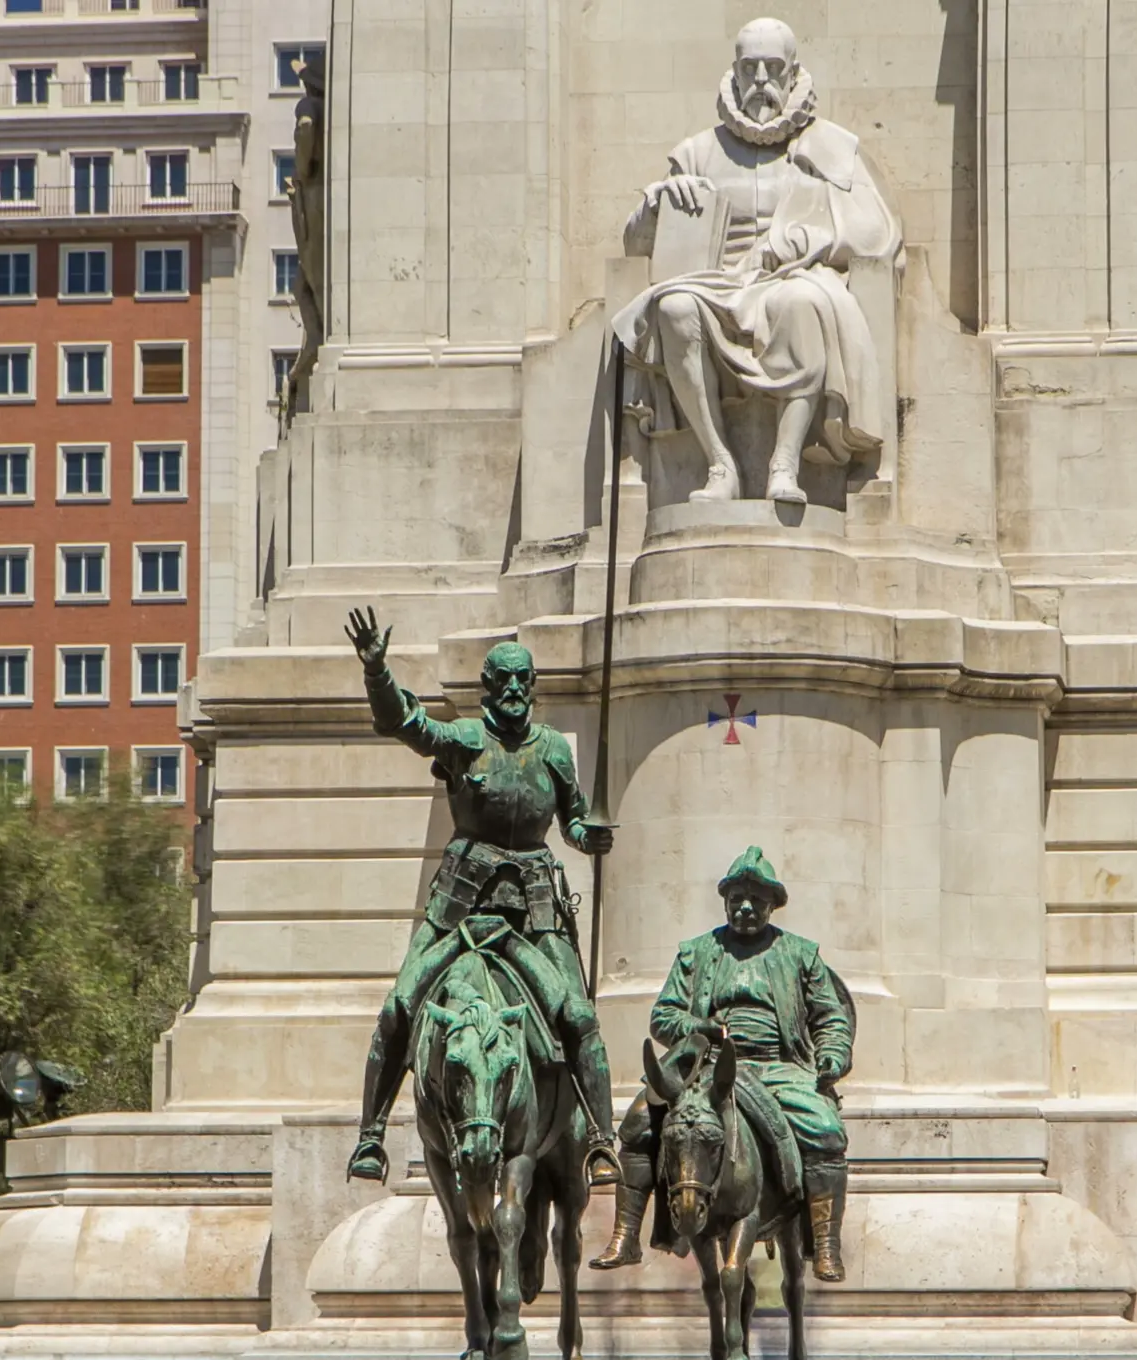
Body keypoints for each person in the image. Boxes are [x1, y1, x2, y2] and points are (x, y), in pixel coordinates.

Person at [342, 607, 621, 1185]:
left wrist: (585, 834)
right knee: (399, 1007)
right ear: (487, 688)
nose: (515, 688)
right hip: (461, 904)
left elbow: (570, 819)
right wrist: (377, 673)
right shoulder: (466, 739)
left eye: (524, 679)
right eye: (504, 680)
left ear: (533, 688)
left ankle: (600, 1139)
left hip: (537, 905)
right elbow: (408, 724)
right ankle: (371, 1135)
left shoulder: (553, 750)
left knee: (577, 1014)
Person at [613, 17, 901, 505]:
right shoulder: (698, 153)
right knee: (674, 309)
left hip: (789, 279)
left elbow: (878, 235)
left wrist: (807, 240)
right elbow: (634, 244)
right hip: (718, 284)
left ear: (793, 73)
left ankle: (784, 464)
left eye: (773, 68)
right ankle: (720, 463)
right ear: (735, 73)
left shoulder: (828, 146)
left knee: (805, 300)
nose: (762, 82)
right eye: (751, 69)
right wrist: (658, 202)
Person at [593, 847, 855, 1281]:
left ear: (774, 905)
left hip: (777, 1067)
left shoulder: (802, 954)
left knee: (825, 1130)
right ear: (726, 902)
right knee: (640, 1119)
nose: (746, 909)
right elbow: (663, 1016)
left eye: (756, 901)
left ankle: (825, 1244)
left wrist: (832, 1056)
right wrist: (702, 1026)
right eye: (737, 900)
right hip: (706, 1066)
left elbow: (831, 1018)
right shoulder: (696, 953)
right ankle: (626, 1236)